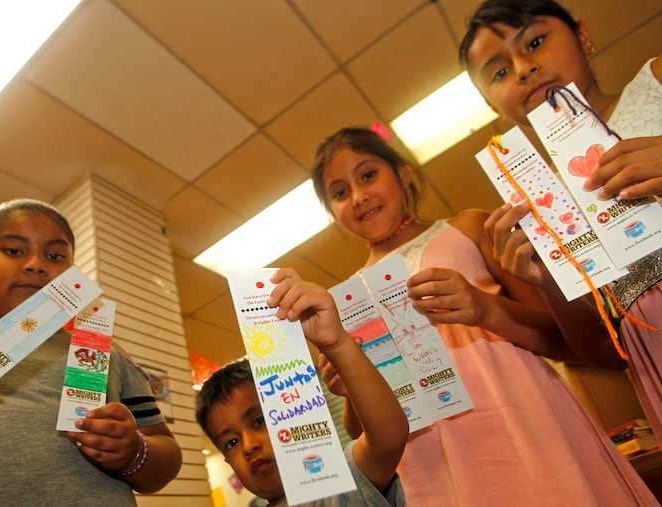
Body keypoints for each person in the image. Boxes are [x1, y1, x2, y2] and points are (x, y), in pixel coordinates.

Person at [310, 126, 658, 505]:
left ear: (403, 173)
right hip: (434, 464)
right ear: (332, 212)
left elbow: (570, 341)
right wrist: (350, 388)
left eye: (368, 175)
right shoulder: (345, 302)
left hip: (525, 420)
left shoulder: (470, 227)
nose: (359, 197)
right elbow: (366, 430)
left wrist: (485, 307)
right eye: (341, 192)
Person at [459, 0, 662, 438]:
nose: (523, 69)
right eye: (499, 72)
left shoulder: (656, 82)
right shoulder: (539, 207)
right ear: (493, 105)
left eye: (534, 42)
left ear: (583, 34)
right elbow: (609, 355)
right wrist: (546, 282)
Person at [0, 199, 182, 505]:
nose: (36, 264)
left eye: (55, 255)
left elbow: (164, 451)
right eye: (13, 250)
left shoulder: (105, 352)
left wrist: (134, 452)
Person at [195, 268, 409, 507]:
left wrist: (336, 343)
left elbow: (388, 438)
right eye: (231, 443)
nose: (248, 445)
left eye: (258, 421)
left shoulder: (342, 484)